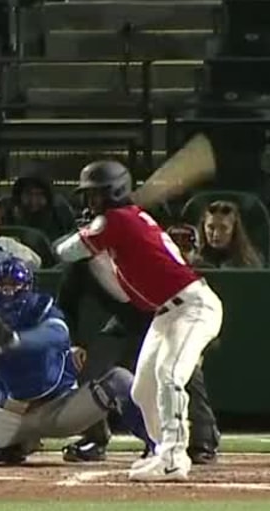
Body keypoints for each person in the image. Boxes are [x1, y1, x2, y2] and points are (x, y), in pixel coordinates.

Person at [51, 159, 224, 482]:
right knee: (143, 388)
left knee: (169, 375)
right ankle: (162, 450)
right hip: (165, 313)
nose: (90, 204)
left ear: (113, 193)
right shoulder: (124, 219)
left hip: (193, 306)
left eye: (95, 196)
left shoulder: (116, 220)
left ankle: (174, 457)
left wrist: (85, 231)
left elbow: (64, 251)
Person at [0, 258, 154, 467]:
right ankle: (15, 445)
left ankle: (157, 445)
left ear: (26, 287)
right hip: (17, 414)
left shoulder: (42, 309)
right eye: (1, 285)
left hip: (61, 408)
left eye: (13, 285)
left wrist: (14, 341)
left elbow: (56, 336)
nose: (7, 291)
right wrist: (2, 399)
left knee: (118, 380)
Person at [190, 199, 263, 270]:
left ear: (234, 229)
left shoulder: (248, 263)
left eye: (223, 228)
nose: (216, 234)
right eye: (211, 228)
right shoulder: (190, 261)